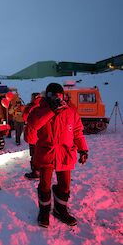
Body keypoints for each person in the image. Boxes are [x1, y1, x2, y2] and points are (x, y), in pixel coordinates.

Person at [24, 83, 88, 228]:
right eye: (54, 96)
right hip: (47, 154)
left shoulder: (70, 111)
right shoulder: (39, 110)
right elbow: (32, 131)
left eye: (59, 96)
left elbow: (77, 132)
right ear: (47, 96)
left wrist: (83, 150)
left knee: (65, 185)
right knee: (44, 184)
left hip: (65, 154)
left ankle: (60, 210)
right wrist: (51, 111)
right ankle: (44, 212)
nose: (57, 99)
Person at [23, 93, 42, 179]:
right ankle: (40, 170)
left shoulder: (31, 107)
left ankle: (35, 172)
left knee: (34, 153)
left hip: (33, 133)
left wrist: (27, 108)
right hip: (40, 134)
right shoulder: (44, 105)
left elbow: (25, 117)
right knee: (39, 152)